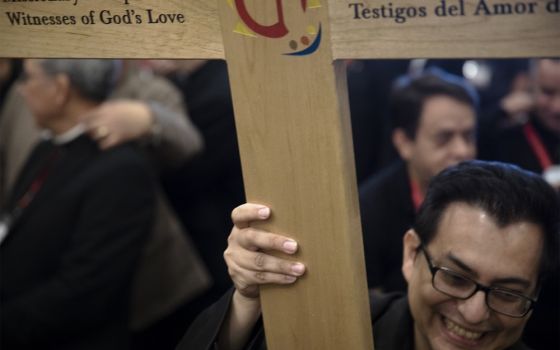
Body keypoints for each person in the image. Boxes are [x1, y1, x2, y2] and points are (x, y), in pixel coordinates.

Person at [178, 160, 559, 350]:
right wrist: (248, 299)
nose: (475, 313)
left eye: (508, 293)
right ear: (411, 253)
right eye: (455, 277)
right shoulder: (339, 332)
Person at [0, 59, 156, 349]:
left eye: (29, 78)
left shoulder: (121, 171)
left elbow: (86, 292)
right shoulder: (48, 146)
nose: (21, 89)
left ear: (60, 89)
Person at [359, 71, 478, 291]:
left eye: (469, 136)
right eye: (444, 138)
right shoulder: (368, 213)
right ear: (404, 142)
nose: (462, 150)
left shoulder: (487, 193)